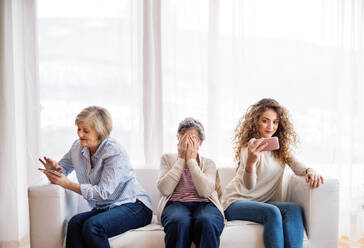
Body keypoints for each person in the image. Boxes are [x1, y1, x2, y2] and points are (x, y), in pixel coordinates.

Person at [39, 106, 152, 248]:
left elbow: (103, 192)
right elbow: (62, 170)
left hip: (135, 206)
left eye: (85, 131)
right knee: (74, 223)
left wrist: (67, 184)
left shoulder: (114, 152)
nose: (80, 134)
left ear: (100, 132)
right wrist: (53, 170)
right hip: (107, 207)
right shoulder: (77, 148)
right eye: (78, 129)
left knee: (93, 226)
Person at [223, 98, 324, 248]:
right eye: (265, 121)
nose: (271, 126)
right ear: (256, 121)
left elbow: (296, 166)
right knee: (272, 212)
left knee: (294, 209)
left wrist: (310, 170)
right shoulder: (249, 148)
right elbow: (249, 186)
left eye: (275, 122)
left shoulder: (280, 150)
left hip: (262, 203)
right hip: (235, 203)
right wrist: (251, 162)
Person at [157, 117, 225, 248]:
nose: (188, 143)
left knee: (207, 221)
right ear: (178, 140)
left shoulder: (209, 163)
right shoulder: (167, 159)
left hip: (206, 205)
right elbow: (165, 190)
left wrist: (191, 161)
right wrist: (182, 159)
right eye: (184, 139)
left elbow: (205, 192)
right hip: (176, 204)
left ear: (200, 143)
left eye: (192, 139)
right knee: (178, 222)